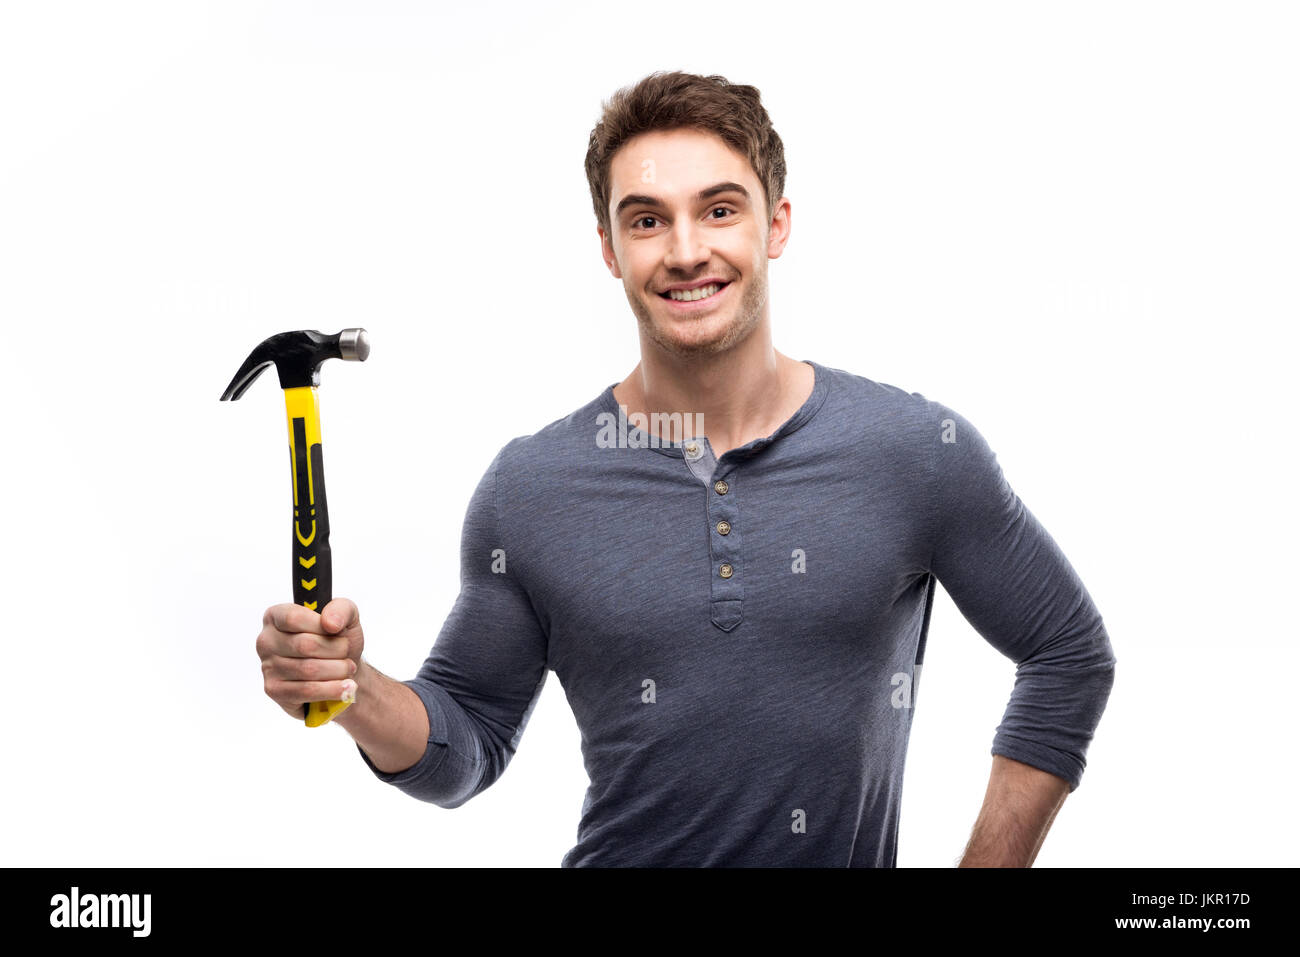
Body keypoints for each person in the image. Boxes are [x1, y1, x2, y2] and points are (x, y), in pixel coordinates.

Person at [256, 70, 1116, 867]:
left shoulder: (914, 451)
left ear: (775, 224)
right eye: (646, 219)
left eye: (718, 210)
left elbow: (1069, 653)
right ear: (609, 248)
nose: (684, 250)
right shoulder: (532, 488)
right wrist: (354, 689)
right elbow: (466, 743)